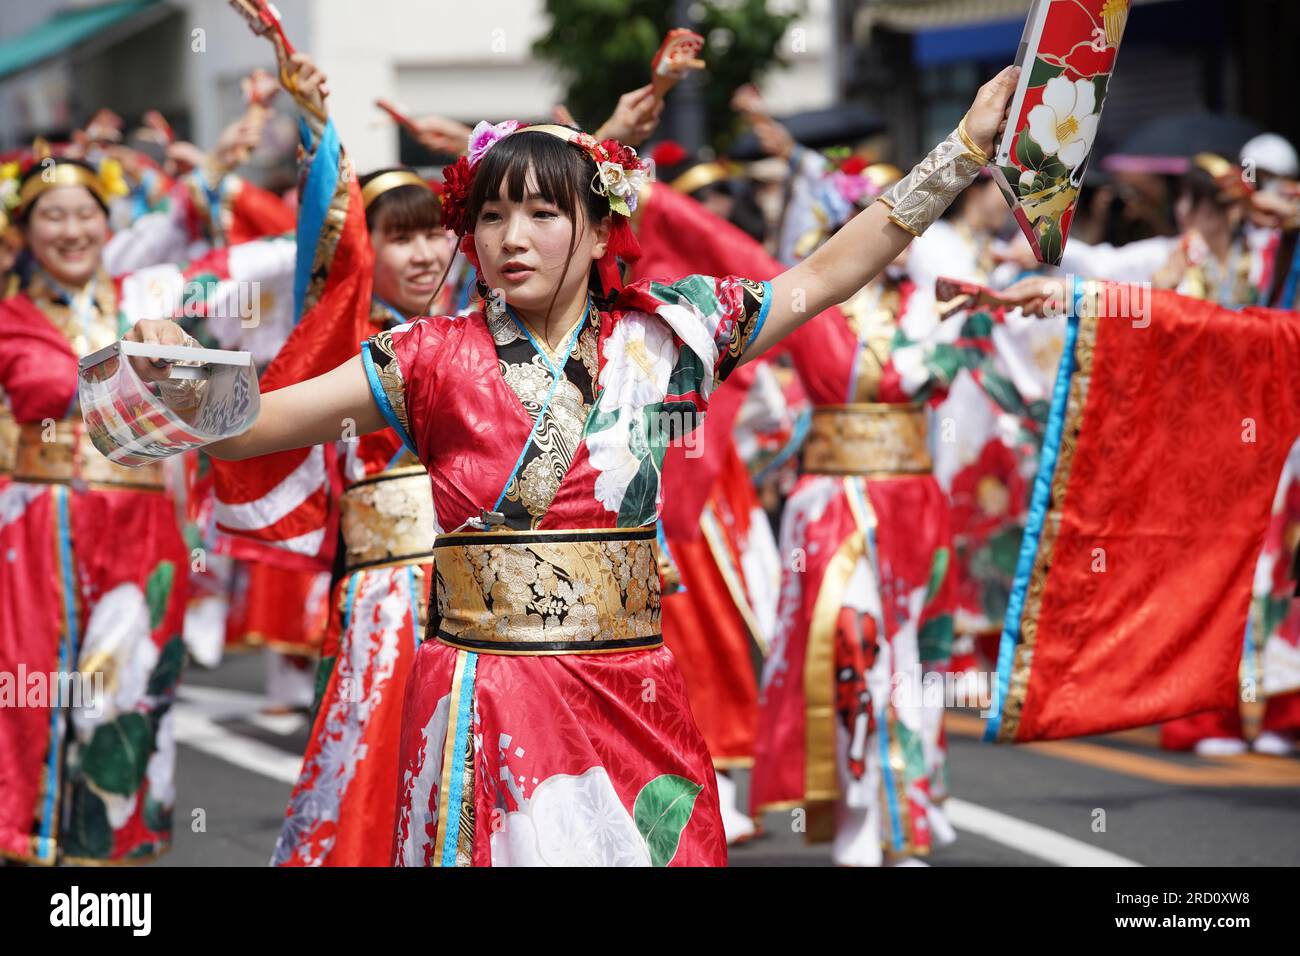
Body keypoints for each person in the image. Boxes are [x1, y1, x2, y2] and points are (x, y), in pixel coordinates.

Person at [119, 66, 1021, 866]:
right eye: (493, 214)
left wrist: (964, 147)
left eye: (545, 213)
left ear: (600, 232)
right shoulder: (425, 355)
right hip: (485, 695)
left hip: (632, 688)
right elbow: (246, 432)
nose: (512, 236)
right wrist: (173, 371)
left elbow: (823, 276)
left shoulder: (670, 334)